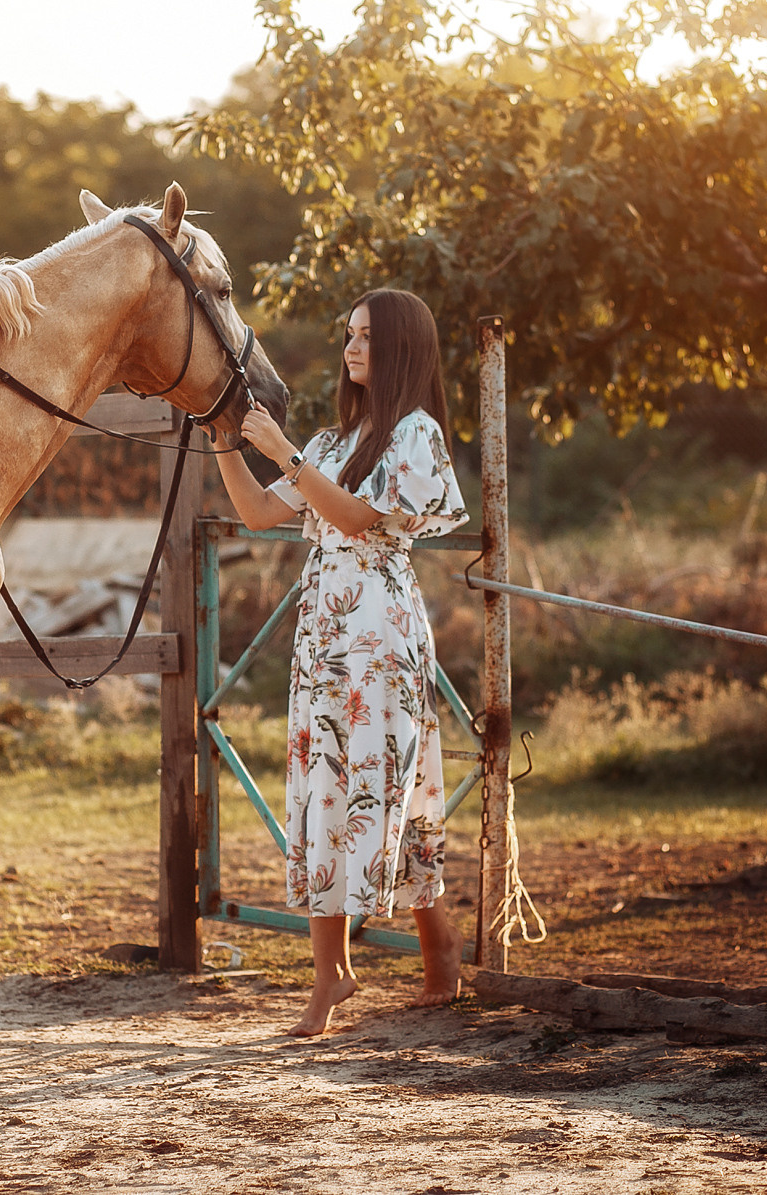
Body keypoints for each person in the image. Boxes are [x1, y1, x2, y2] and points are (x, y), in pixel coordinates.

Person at [212, 288, 469, 1036]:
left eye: (367, 337)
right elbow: (261, 514)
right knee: (325, 787)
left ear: (401, 350)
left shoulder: (415, 435)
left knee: (388, 787)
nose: (352, 348)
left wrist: (282, 452)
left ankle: (438, 945)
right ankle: (332, 977)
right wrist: (227, 442)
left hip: (381, 634)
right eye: (349, 334)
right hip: (324, 637)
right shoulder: (329, 441)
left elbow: (357, 517)